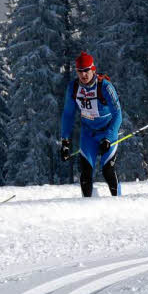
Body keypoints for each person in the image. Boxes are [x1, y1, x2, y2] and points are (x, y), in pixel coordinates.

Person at [59, 52, 123, 197]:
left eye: (86, 70)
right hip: (88, 134)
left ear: (93, 69)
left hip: (108, 131)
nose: (84, 75)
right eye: (80, 71)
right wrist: (65, 141)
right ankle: (87, 207)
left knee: (108, 170)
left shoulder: (105, 87)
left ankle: (119, 202)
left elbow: (118, 114)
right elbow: (68, 115)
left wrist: (108, 137)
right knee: (86, 172)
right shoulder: (73, 88)